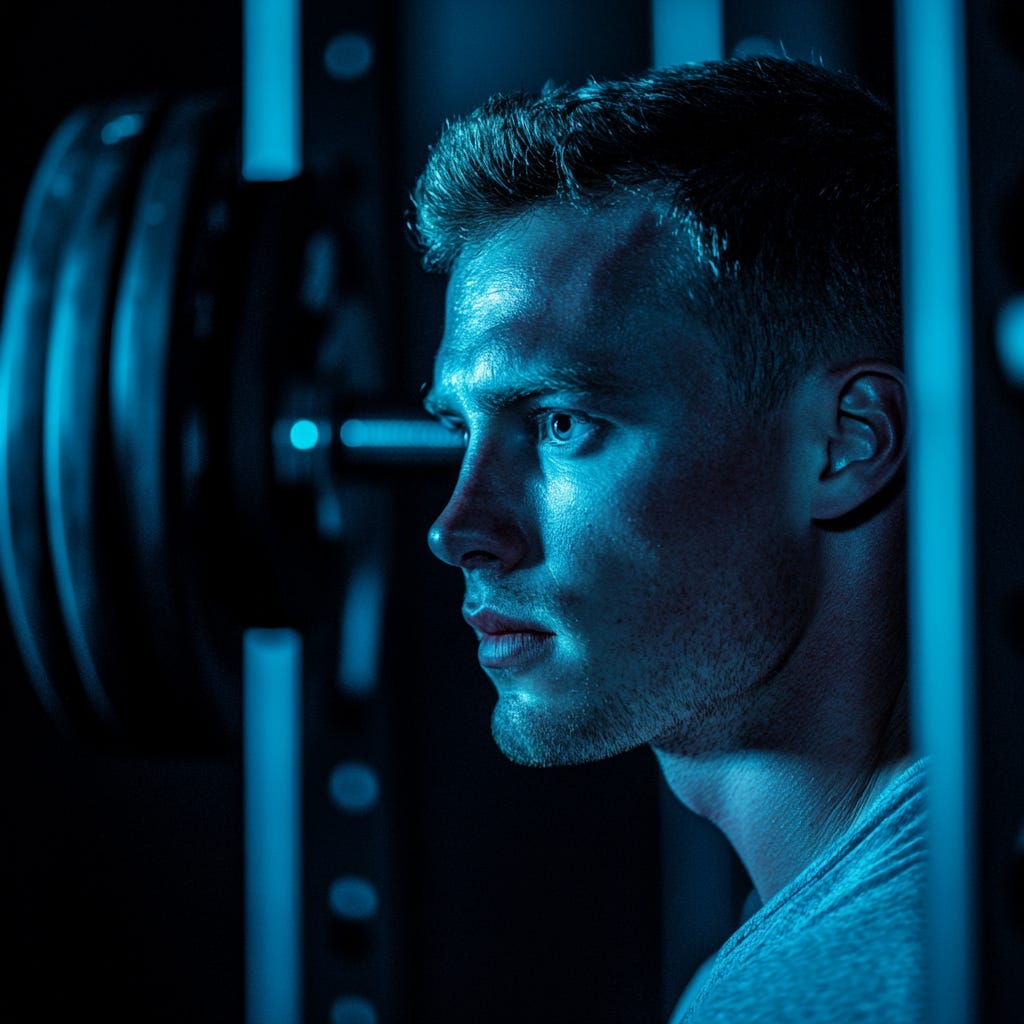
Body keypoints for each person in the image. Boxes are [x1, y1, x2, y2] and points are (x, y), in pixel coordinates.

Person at [411, 56, 924, 1022]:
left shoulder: (842, 988)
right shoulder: (849, 926)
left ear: (844, 444)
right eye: (458, 429)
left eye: (562, 424)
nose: (459, 529)